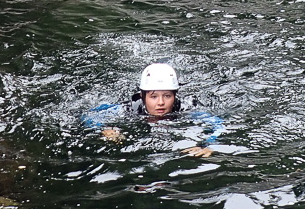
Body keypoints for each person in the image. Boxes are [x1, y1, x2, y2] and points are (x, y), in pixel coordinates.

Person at [83, 63, 222, 158]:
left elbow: (218, 124)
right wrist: (104, 129)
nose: (161, 103)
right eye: (153, 97)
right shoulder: (130, 108)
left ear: (174, 96)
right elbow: (88, 116)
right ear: (143, 96)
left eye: (167, 96)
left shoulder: (185, 108)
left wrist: (207, 144)